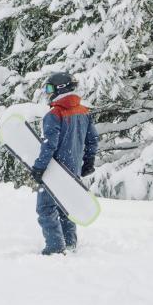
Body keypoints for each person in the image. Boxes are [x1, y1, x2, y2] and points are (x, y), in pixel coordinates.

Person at [30, 70, 98, 256]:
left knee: (45, 207)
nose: (48, 92)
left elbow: (49, 144)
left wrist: (40, 167)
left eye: (50, 88)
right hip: (73, 168)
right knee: (66, 205)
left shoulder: (54, 114)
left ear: (60, 88)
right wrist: (88, 160)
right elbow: (93, 139)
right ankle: (70, 243)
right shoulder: (84, 112)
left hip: (55, 169)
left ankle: (55, 246)